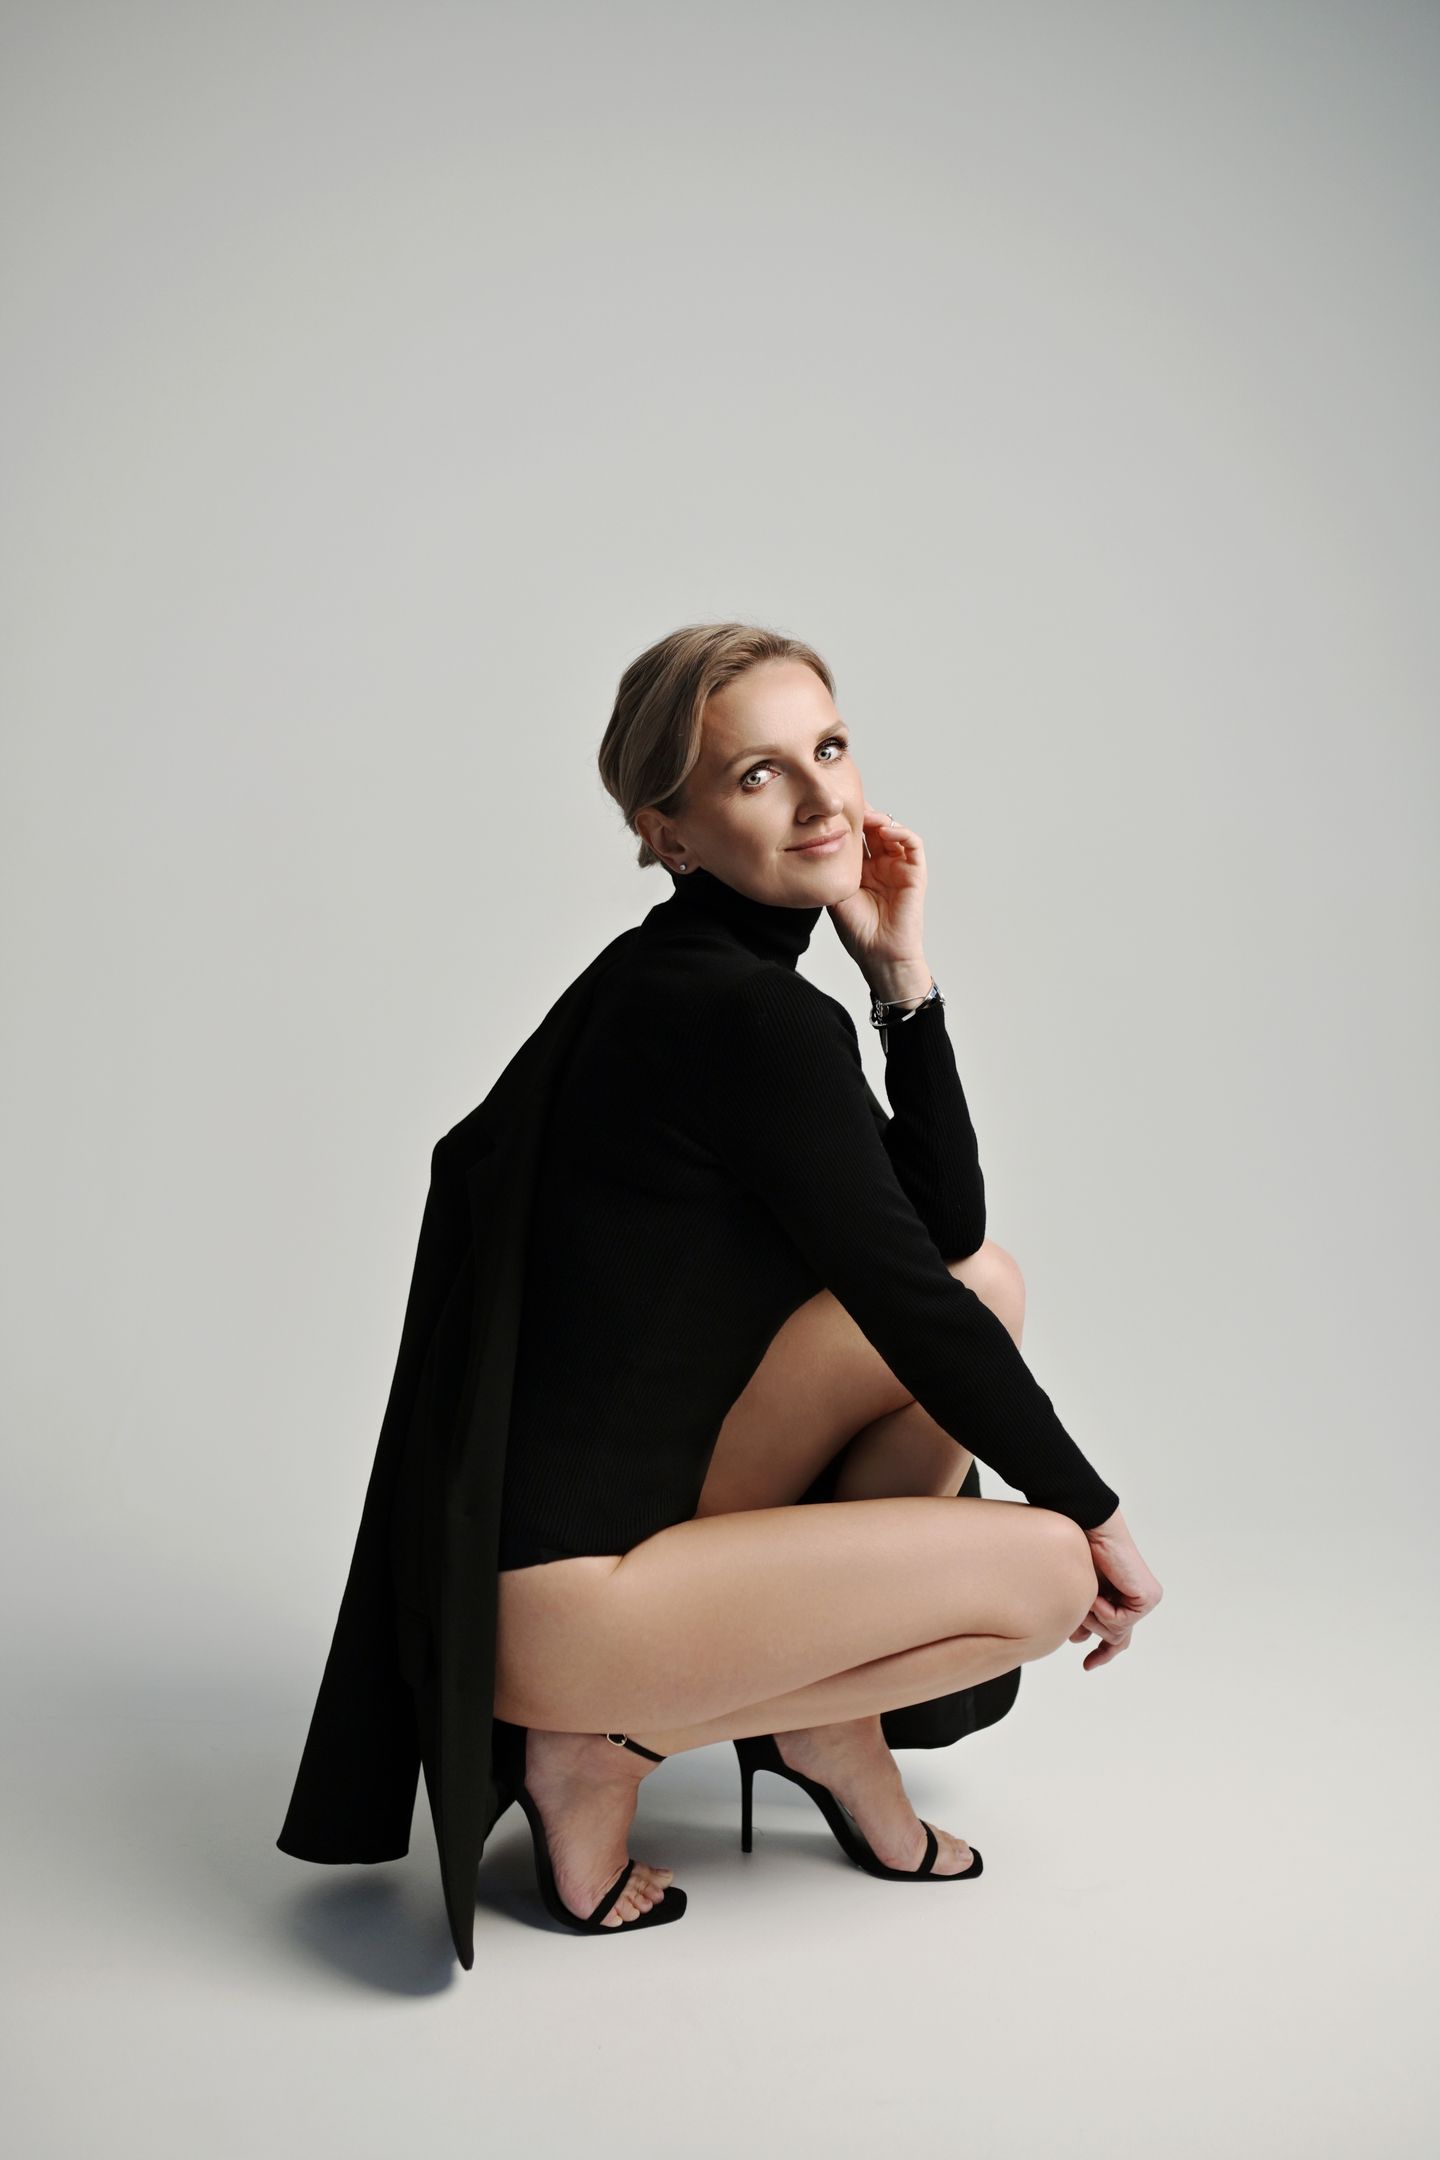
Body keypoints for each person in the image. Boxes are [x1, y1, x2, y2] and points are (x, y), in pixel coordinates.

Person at [489, 620, 1163, 1934]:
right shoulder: (746, 1018)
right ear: (669, 832)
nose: (822, 800)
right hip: (579, 1603)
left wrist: (896, 971)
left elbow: (942, 1238)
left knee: (989, 1285)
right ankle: (603, 1745)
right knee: (1045, 1576)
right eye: (759, 774)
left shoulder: (687, 976)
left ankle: (819, 1729)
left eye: (832, 749)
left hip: (593, 1537)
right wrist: (1096, 1514)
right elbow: (909, 1299)